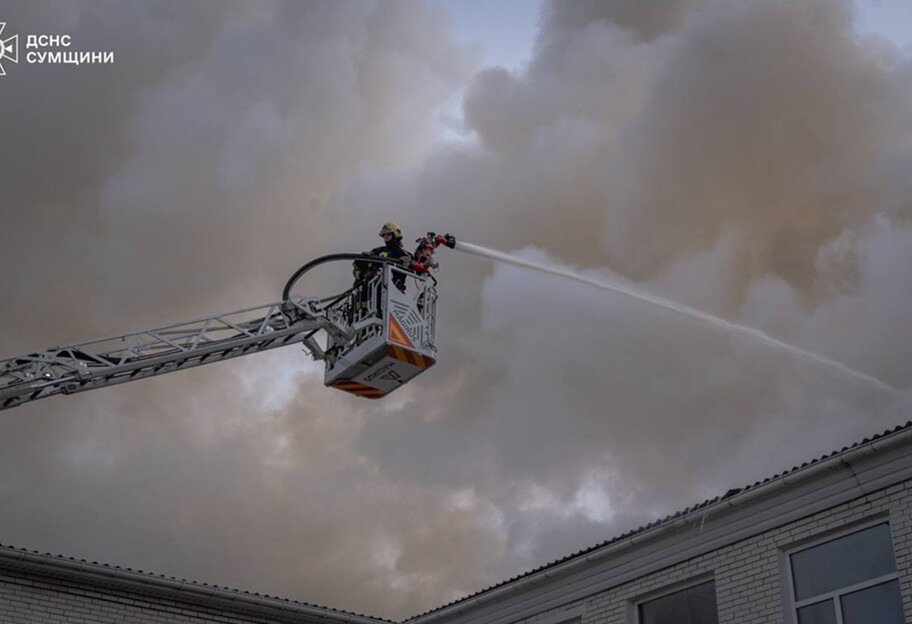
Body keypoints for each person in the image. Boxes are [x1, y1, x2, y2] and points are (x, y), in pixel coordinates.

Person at [352, 222, 412, 292]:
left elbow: (414, 265)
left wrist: (407, 261)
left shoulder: (403, 254)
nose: (385, 236)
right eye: (384, 235)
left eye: (388, 234)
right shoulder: (378, 251)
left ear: (395, 235)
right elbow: (357, 264)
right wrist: (364, 269)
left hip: (392, 292)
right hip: (373, 290)